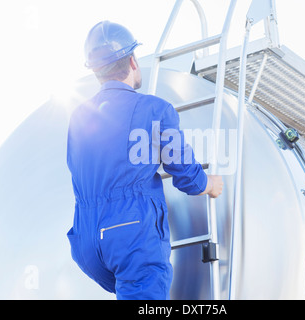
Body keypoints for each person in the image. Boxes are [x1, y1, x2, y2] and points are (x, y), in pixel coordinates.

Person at [66, 21, 223, 300]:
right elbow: (186, 176)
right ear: (132, 60)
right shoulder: (154, 109)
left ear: (96, 71)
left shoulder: (78, 116)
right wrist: (210, 184)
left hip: (85, 238)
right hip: (130, 235)